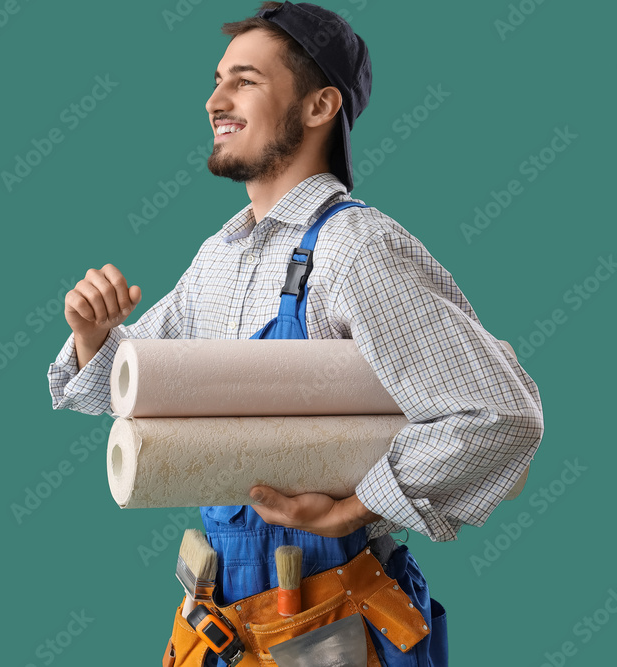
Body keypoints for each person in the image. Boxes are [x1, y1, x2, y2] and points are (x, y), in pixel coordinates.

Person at [46, 3, 543, 664]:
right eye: (217, 79)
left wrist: (357, 505)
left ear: (318, 107)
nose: (214, 99)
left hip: (331, 632)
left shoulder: (355, 250)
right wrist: (93, 333)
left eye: (244, 81)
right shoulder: (219, 256)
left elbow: (501, 415)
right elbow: (128, 388)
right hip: (221, 629)